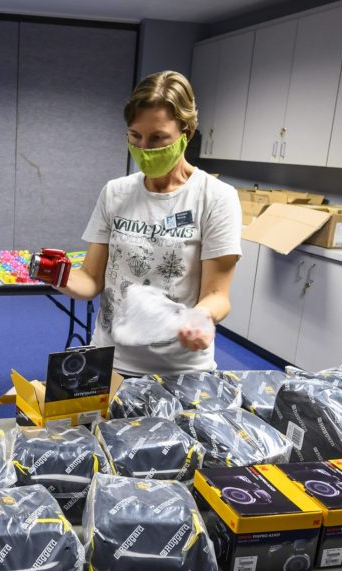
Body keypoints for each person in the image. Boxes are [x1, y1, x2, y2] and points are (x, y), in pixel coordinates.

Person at [52, 70, 242, 376]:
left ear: (187, 133)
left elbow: (217, 295)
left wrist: (200, 318)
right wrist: (56, 275)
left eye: (158, 138)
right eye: (135, 136)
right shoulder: (115, 192)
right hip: (108, 361)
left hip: (178, 370)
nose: (145, 149)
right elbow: (90, 279)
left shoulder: (216, 197)